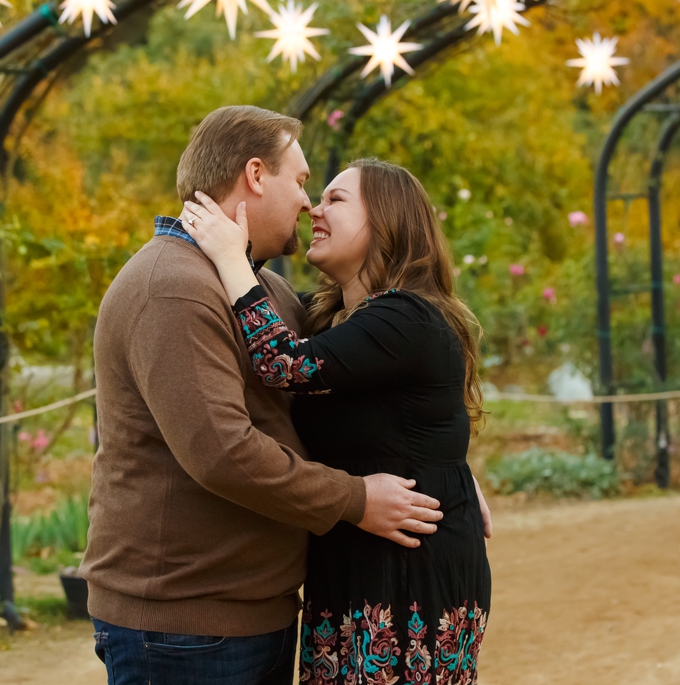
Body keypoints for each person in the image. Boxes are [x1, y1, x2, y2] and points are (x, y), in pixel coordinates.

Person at [80, 106, 446, 685]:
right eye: (300, 181)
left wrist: (437, 463)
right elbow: (223, 451)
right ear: (254, 175)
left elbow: (340, 390)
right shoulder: (173, 287)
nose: (308, 203)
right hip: (184, 627)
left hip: (253, 613)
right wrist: (356, 499)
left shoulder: (261, 287)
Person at [181, 156, 493, 685]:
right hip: (350, 556)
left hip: (409, 565)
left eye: (335, 199)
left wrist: (232, 257)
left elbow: (284, 363)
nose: (313, 209)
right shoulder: (333, 319)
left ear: (388, 220)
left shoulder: (408, 316)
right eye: (316, 196)